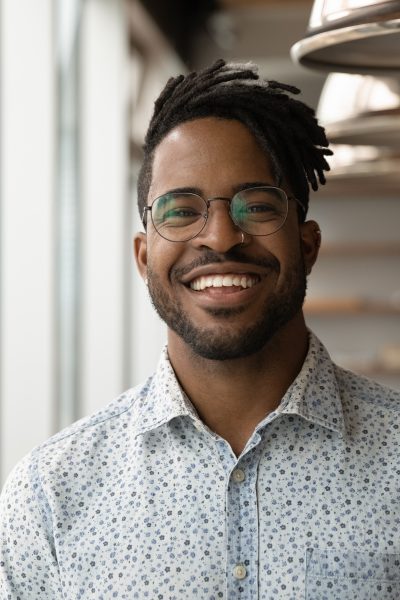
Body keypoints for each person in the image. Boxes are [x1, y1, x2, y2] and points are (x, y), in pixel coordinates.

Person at [1, 59, 400, 600]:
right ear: (144, 257)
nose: (220, 236)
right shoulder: (50, 492)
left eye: (256, 205)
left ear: (307, 247)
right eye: (181, 210)